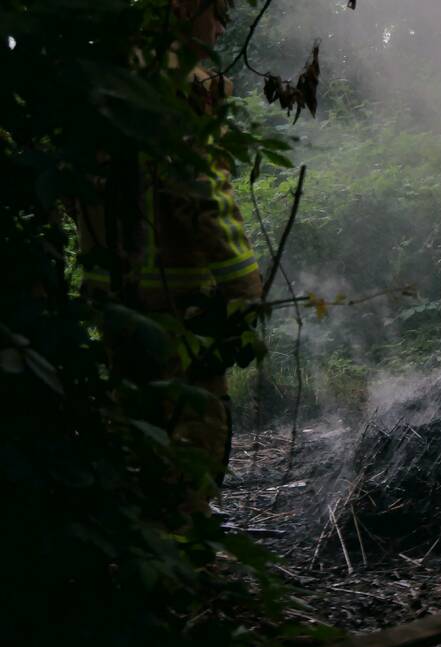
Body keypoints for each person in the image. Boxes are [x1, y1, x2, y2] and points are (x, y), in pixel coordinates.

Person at [74, 0, 261, 493]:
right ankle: (181, 553)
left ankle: (146, 554)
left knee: (137, 427)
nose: (223, 26)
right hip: (178, 303)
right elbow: (202, 194)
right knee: (197, 431)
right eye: (218, 11)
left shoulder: (100, 77)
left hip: (112, 295)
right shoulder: (185, 84)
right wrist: (245, 287)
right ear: (183, 5)